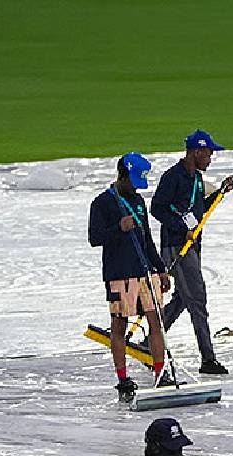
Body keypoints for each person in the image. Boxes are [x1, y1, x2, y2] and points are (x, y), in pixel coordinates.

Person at [88, 153, 172, 402]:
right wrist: (118, 229)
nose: (136, 186)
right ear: (122, 175)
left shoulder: (138, 202)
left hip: (144, 271)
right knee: (119, 325)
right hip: (119, 275)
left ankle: (160, 373)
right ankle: (123, 379)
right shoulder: (102, 203)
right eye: (134, 180)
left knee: (156, 321)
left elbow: (147, 239)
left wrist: (160, 269)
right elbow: (95, 238)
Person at [150, 130, 233, 375]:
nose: (210, 159)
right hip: (177, 248)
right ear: (196, 152)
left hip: (191, 247)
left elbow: (198, 211)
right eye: (209, 153)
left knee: (182, 299)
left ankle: (149, 342)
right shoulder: (173, 177)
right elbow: (157, 209)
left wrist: (220, 193)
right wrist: (180, 229)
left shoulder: (196, 178)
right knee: (197, 300)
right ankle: (208, 359)